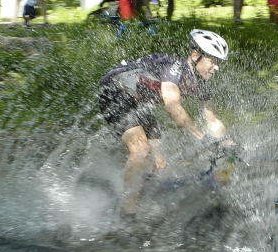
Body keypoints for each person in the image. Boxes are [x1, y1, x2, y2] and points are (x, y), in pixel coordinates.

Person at [98, 30, 231, 218]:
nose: (216, 68)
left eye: (219, 63)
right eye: (213, 61)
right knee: (141, 150)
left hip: (139, 101)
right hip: (114, 90)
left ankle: (140, 194)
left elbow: (213, 119)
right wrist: (202, 138)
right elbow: (172, 106)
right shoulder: (175, 68)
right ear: (196, 55)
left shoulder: (201, 83)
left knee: (158, 162)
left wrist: (227, 144)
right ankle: (126, 214)